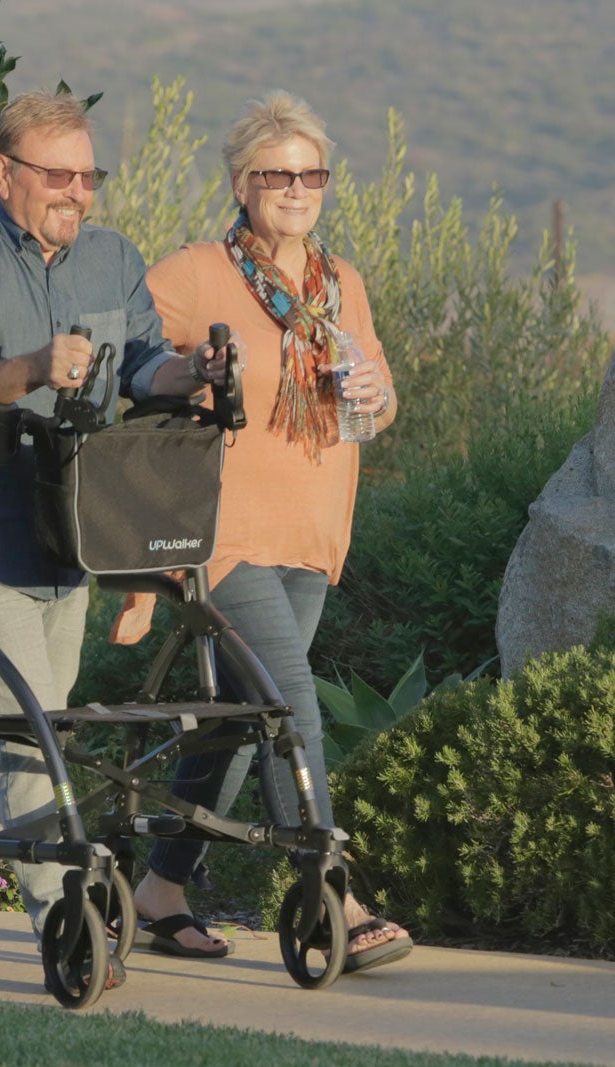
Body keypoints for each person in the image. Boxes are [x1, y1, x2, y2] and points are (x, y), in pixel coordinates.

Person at [0, 90, 223, 980]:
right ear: (6, 174)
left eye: (89, 175)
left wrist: (189, 371)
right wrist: (32, 367)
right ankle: (67, 915)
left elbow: (144, 364)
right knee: (33, 730)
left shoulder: (114, 259)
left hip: (70, 535)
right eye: (57, 174)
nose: (76, 192)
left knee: (15, 731)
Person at [121, 91, 412, 972]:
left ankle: (162, 890)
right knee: (288, 708)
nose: (297, 188)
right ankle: (332, 894)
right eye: (278, 174)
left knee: (232, 724)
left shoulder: (340, 283)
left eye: (311, 173)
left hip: (313, 536)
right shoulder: (197, 272)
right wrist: (188, 371)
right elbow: (135, 363)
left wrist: (374, 395)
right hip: (223, 534)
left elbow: (383, 396)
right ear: (243, 183)